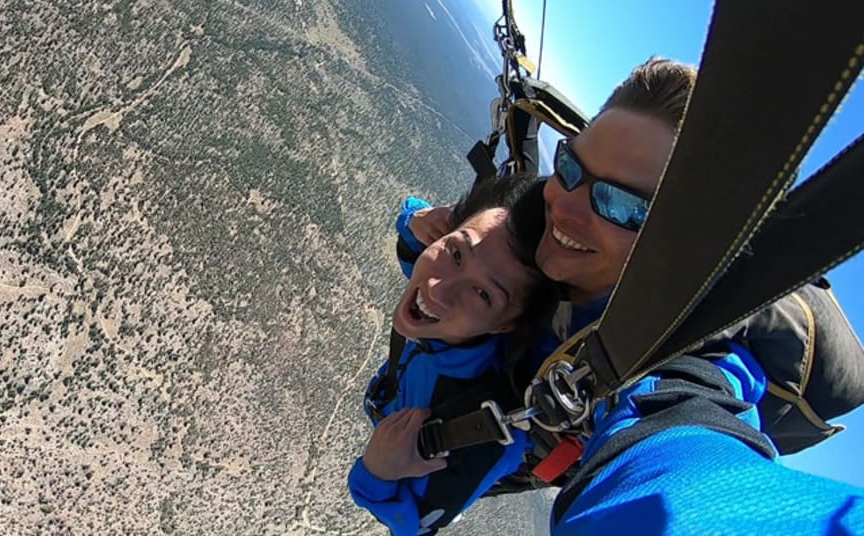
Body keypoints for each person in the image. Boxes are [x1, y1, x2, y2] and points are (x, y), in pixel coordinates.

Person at [370, 57, 864, 532]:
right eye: (570, 165)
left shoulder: (673, 365)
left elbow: (684, 489)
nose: (566, 207)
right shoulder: (534, 224)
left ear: (687, 249)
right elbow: (445, 244)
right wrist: (416, 227)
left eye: (622, 204)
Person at [349, 174, 558, 535]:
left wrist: (374, 476)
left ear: (506, 325)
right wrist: (415, 219)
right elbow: (415, 246)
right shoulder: (452, 315)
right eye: (457, 252)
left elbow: (417, 525)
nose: (437, 289)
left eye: (482, 294)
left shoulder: (479, 432)